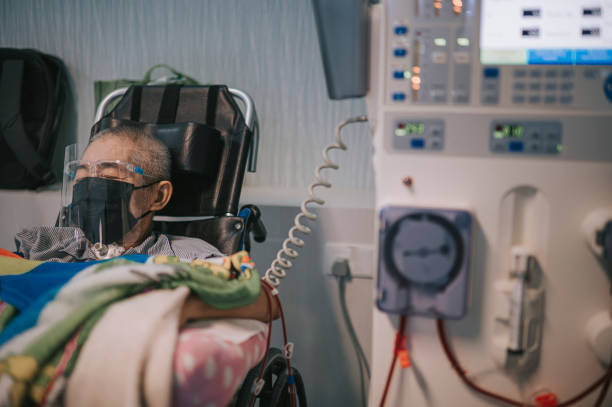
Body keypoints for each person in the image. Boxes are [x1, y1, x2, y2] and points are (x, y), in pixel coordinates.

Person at [13, 124, 278, 322]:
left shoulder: (188, 257)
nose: (89, 187)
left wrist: (176, 307)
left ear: (158, 195)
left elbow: (265, 299)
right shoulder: (40, 245)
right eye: (81, 177)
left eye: (108, 174)